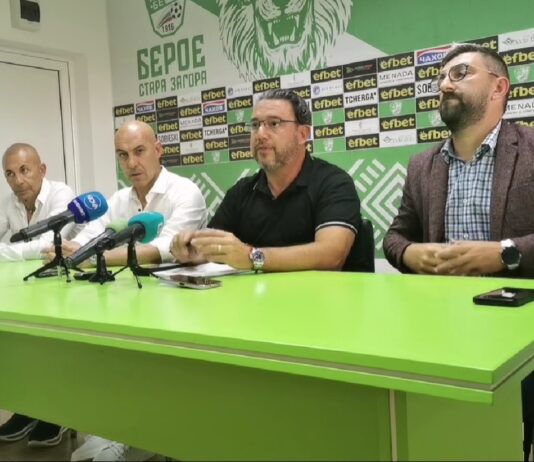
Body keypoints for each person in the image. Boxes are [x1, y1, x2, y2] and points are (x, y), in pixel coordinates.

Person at [383, 43, 534, 460]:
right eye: (441, 78)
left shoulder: (531, 148)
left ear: (499, 87)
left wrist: (504, 253)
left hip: (521, 330)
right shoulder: (423, 164)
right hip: (443, 331)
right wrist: (410, 255)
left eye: (460, 73)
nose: (445, 85)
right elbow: (395, 238)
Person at [56, 120, 207, 462]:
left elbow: (163, 249)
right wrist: (69, 250)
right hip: (128, 302)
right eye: (123, 155)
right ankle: (116, 431)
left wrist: (89, 256)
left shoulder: (185, 192)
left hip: (177, 308)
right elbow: (91, 236)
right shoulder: (118, 199)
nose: (132, 163)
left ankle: (139, 437)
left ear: (158, 150)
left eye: (139, 152)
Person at [170, 89, 363, 272]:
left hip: (318, 295)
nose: (261, 134)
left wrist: (252, 257)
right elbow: (214, 247)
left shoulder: (334, 183)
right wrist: (197, 252)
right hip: (254, 295)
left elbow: (331, 255)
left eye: (274, 123)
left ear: (303, 134)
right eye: (255, 125)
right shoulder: (242, 191)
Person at [0, 143, 78, 448]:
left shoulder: (61, 195)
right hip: (29, 287)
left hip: (67, 288)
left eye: (24, 170)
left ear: (41, 170)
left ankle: (58, 413)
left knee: (54, 350)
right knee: (22, 346)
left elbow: (47, 246)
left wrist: (7, 251)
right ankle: (28, 409)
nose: (18, 180)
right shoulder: (10, 202)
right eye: (10, 174)